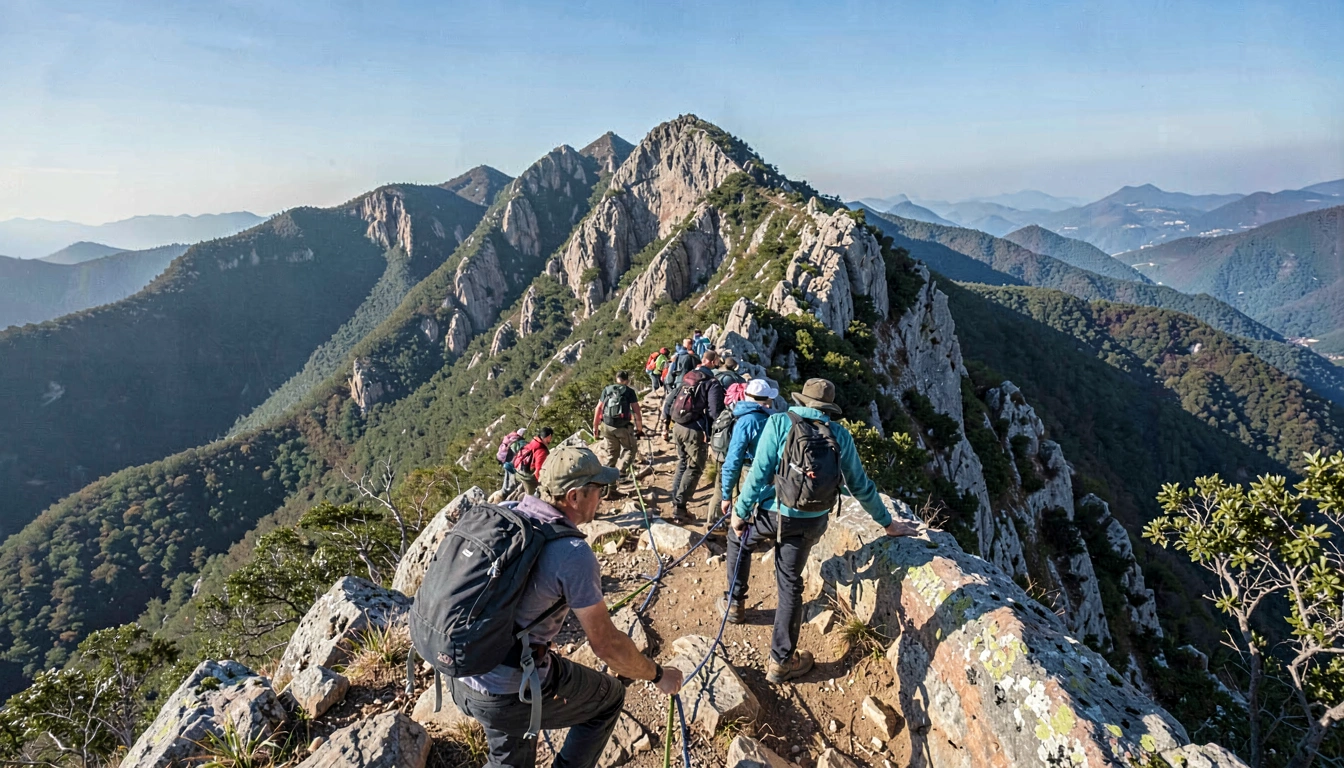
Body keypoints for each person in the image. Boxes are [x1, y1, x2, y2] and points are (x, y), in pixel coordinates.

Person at [449, 445, 684, 768]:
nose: (603, 495)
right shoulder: (572, 553)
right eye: (599, 489)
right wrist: (657, 675)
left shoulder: (507, 511)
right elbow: (607, 646)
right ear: (574, 497)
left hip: (461, 670)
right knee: (609, 698)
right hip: (505, 690)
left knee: (509, 754)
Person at [725, 378, 921, 684]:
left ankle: (735, 604)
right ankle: (780, 662)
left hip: (772, 516)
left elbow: (759, 474)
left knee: (738, 539)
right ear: (828, 408)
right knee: (789, 585)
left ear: (801, 401)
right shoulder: (839, 435)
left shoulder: (778, 424)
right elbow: (861, 486)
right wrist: (888, 523)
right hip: (811, 520)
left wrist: (739, 513)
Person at [667, 350, 725, 523]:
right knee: (695, 467)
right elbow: (715, 411)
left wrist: (665, 422)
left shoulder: (689, 376)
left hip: (677, 426)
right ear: (713, 362)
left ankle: (676, 500)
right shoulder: (712, 382)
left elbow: (672, 398)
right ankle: (680, 509)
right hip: (694, 430)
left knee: (683, 462)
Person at [592, 371, 646, 499]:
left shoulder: (607, 390)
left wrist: (595, 428)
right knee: (631, 449)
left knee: (612, 456)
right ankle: (621, 473)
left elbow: (598, 408)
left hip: (607, 426)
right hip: (622, 427)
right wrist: (639, 429)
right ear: (627, 380)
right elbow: (636, 411)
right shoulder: (629, 392)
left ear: (617, 379)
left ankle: (609, 488)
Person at [660, 338, 699, 438]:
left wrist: (668, 385)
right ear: (691, 345)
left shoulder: (676, 356)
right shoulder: (693, 357)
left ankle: (665, 427)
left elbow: (670, 373)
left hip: (677, 384)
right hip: (690, 384)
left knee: (669, 402)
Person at [511, 427, 554, 499]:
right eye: (551, 437)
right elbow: (538, 470)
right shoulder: (541, 450)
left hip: (520, 470)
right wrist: (542, 484)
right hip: (527, 475)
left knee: (526, 488)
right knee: (533, 496)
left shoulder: (534, 441)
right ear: (549, 436)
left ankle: (521, 497)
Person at [496, 427, 528, 494]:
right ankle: (508, 490)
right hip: (512, 462)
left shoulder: (510, 439)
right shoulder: (520, 442)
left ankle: (505, 490)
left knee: (507, 478)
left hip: (506, 461)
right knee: (513, 478)